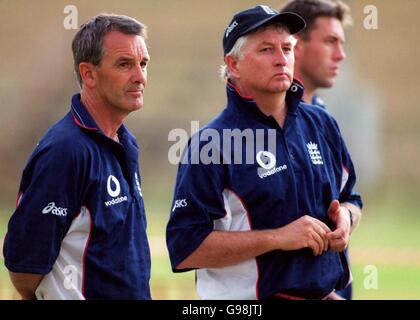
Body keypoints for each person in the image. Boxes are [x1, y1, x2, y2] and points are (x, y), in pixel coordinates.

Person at [166, 5, 362, 300]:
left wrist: (346, 219)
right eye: (266, 50)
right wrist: (278, 237)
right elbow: (185, 248)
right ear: (233, 65)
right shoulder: (211, 144)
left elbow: (352, 199)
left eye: (287, 48)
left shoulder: (321, 123)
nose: (282, 59)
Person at [3, 14, 151, 300]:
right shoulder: (66, 151)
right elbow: (25, 270)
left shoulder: (124, 140)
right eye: (124, 64)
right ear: (89, 74)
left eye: (143, 64)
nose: (140, 77)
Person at [280, 0, 362, 299]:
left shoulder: (324, 117)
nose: (340, 55)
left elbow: (351, 198)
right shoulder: (264, 124)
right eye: (330, 42)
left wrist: (346, 219)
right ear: (295, 45)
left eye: (341, 43)